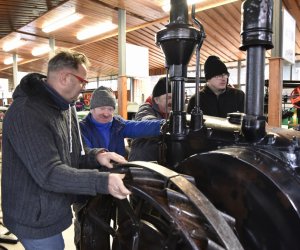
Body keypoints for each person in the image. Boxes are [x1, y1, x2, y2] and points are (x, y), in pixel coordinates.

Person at [1, 50, 131, 250]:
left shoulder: (66, 108)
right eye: (83, 82)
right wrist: (102, 181)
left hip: (53, 208)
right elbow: (49, 173)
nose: (84, 88)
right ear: (65, 77)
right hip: (33, 217)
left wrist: (97, 156)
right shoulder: (26, 112)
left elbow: (75, 153)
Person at [79, 86, 164, 157]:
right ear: (92, 109)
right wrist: (100, 156)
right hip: (95, 174)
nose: (106, 113)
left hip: (118, 171)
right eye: (102, 108)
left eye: (110, 109)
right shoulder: (82, 129)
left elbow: (139, 127)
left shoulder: (118, 124)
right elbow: (86, 153)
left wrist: (164, 124)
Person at [128, 77, 172, 162]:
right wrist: (167, 124)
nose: (172, 101)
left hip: (159, 162)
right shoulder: (145, 108)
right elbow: (145, 120)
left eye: (174, 98)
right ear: (156, 100)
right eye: (168, 98)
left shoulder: (170, 112)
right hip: (142, 163)